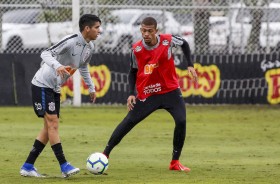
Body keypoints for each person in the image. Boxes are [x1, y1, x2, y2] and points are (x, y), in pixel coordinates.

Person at [103, 17, 198, 172]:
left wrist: (190, 65)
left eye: (149, 31)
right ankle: (105, 154)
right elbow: (132, 72)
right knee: (129, 121)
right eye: (143, 30)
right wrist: (130, 94)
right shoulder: (136, 49)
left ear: (156, 31)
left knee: (181, 121)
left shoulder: (168, 40)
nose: (146, 34)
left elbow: (185, 44)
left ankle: (175, 162)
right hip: (148, 92)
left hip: (171, 91)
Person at [20, 14, 101, 178]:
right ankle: (64, 165)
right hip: (42, 84)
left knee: (48, 127)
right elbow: (45, 53)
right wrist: (57, 66)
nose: (100, 31)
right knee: (53, 124)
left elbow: (83, 66)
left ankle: (28, 166)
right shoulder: (71, 40)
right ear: (87, 28)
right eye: (97, 27)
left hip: (55, 87)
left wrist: (91, 87)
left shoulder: (89, 47)